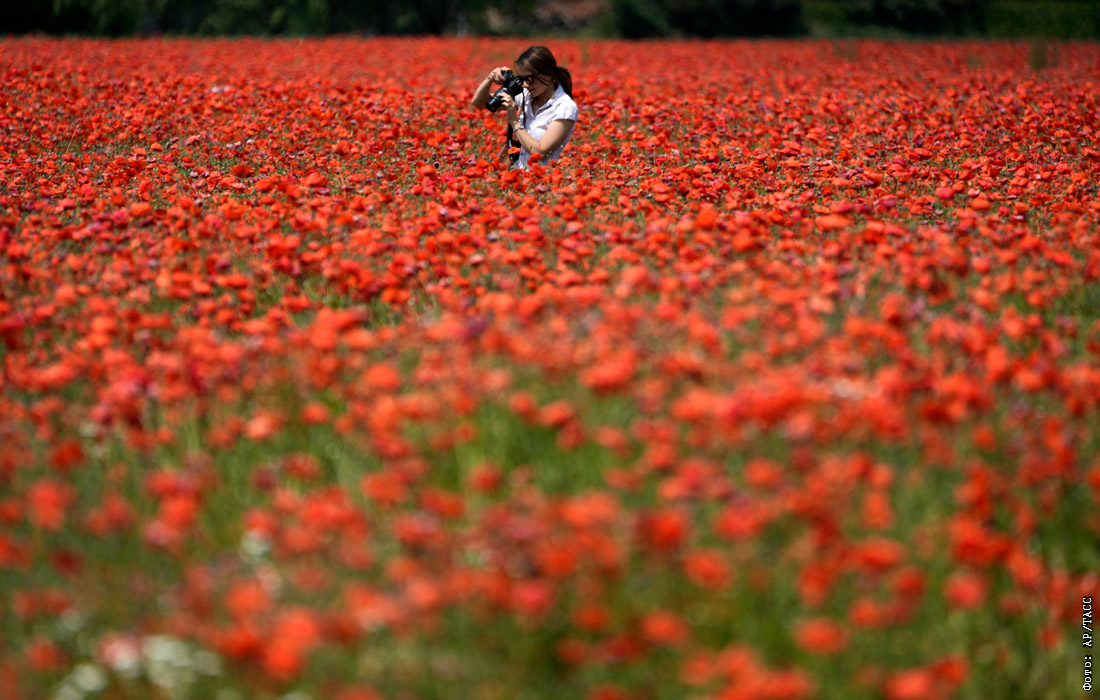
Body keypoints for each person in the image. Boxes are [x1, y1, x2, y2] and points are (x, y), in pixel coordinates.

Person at [470, 46, 578, 170]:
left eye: (529, 79)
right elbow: (479, 102)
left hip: (541, 177)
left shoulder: (565, 108)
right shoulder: (526, 96)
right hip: (516, 175)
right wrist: (490, 78)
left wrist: (514, 122)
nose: (525, 85)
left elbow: (539, 152)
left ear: (550, 75)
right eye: (521, 79)